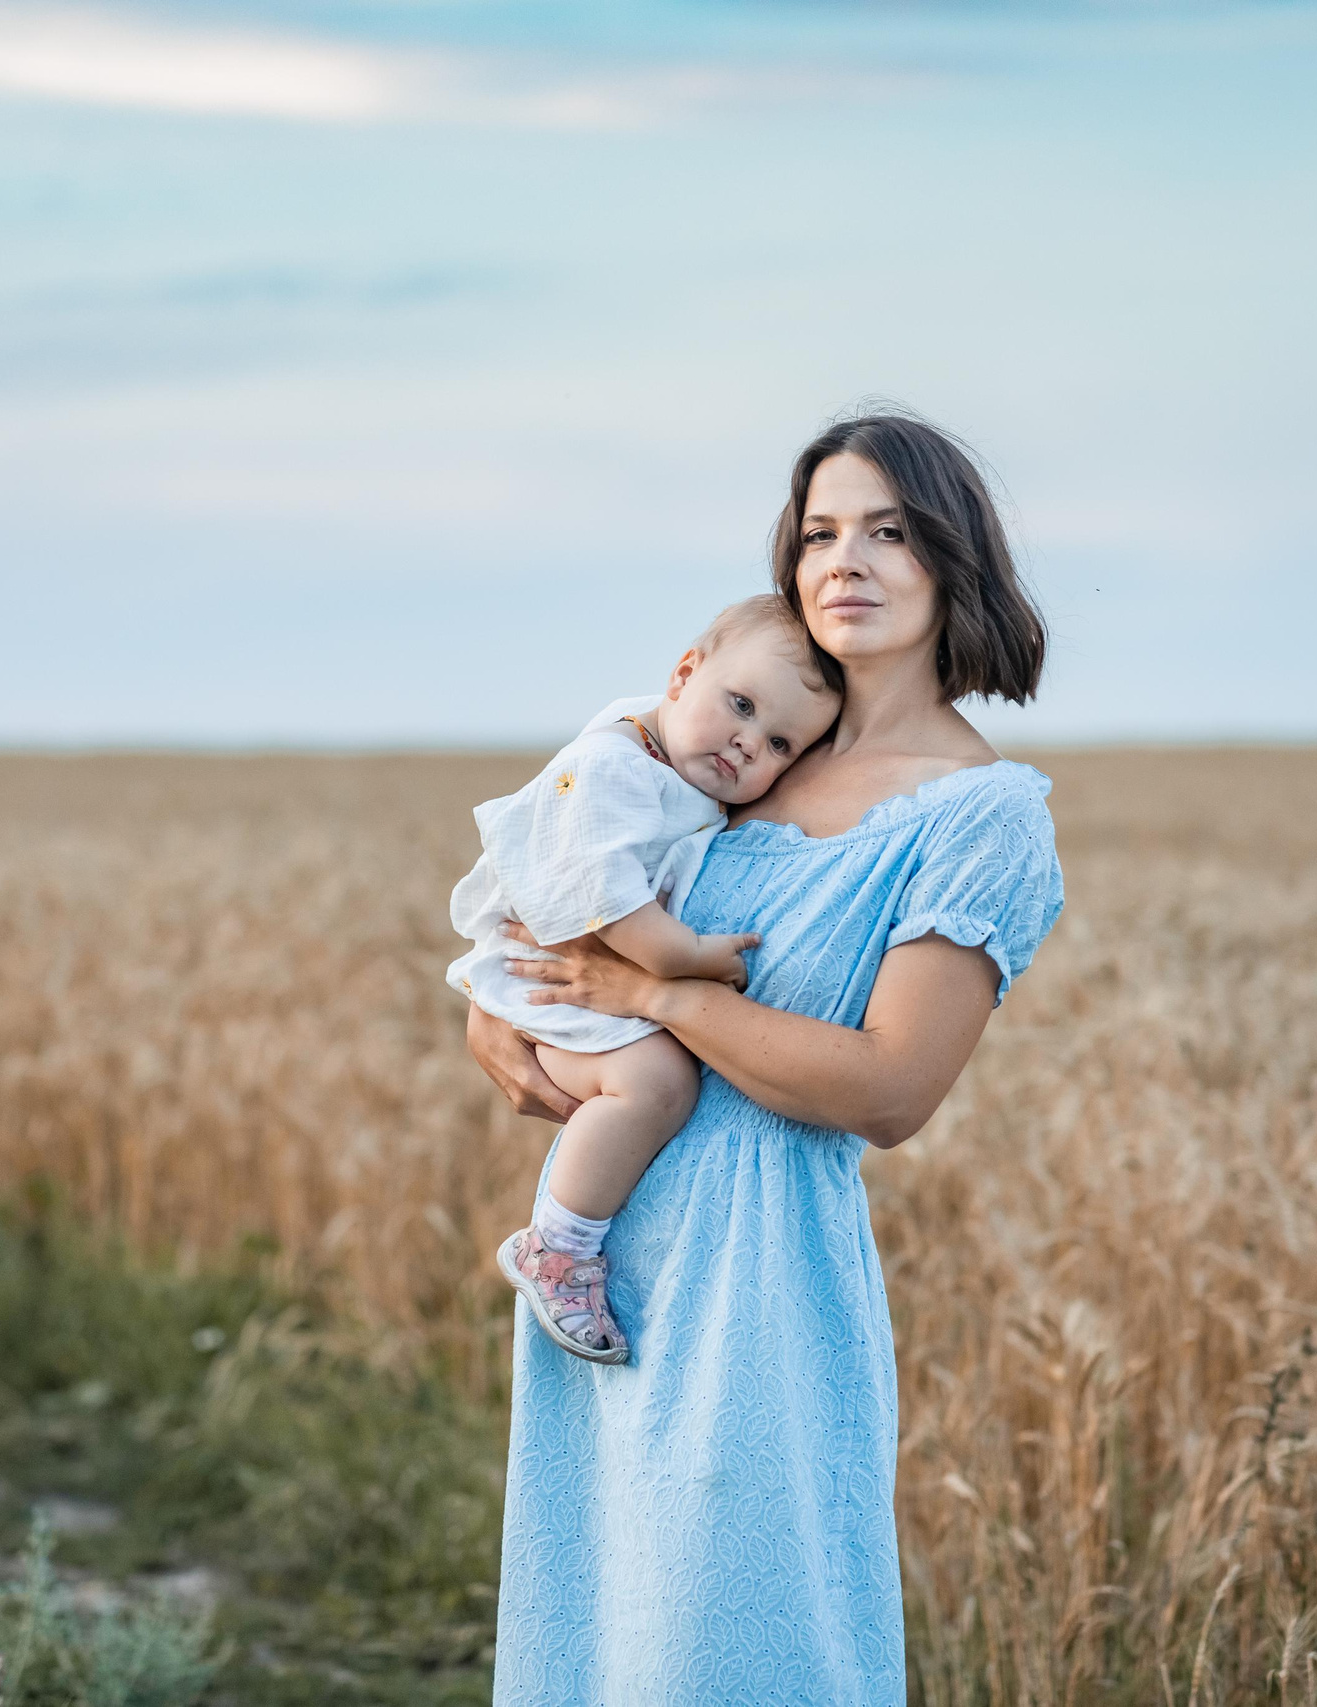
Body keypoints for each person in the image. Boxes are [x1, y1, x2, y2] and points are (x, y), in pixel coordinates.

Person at [467, 412, 1066, 1703]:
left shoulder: (981, 815)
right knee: (598, 1629)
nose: (845, 558)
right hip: (611, 1250)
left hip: (760, 1274)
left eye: (889, 531)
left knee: (734, 1643)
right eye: (820, 532)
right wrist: (497, 1008)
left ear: (955, 559)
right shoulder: (737, 761)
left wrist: (650, 991)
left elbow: (892, 1088)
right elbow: (564, 890)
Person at [447, 595, 842, 1362]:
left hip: (573, 973)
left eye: (779, 742)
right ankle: (558, 1247)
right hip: (543, 977)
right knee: (656, 1081)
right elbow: (609, 906)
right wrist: (688, 958)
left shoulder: (673, 758)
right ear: (683, 673)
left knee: (660, 1075)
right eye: (740, 704)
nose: (745, 742)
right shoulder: (612, 769)